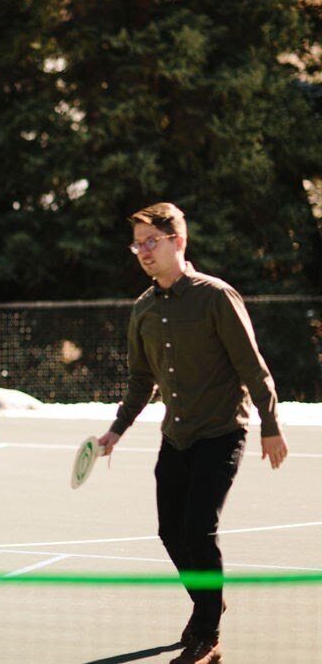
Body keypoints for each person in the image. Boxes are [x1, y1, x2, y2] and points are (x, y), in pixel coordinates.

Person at [97, 202, 288, 664]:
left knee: (199, 531)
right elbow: (142, 381)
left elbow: (251, 365)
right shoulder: (142, 308)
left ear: (177, 240)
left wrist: (270, 424)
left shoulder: (216, 296)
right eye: (137, 243)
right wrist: (117, 429)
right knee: (170, 532)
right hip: (176, 435)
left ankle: (206, 634)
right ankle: (210, 598)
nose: (143, 251)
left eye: (152, 241)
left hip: (221, 431)